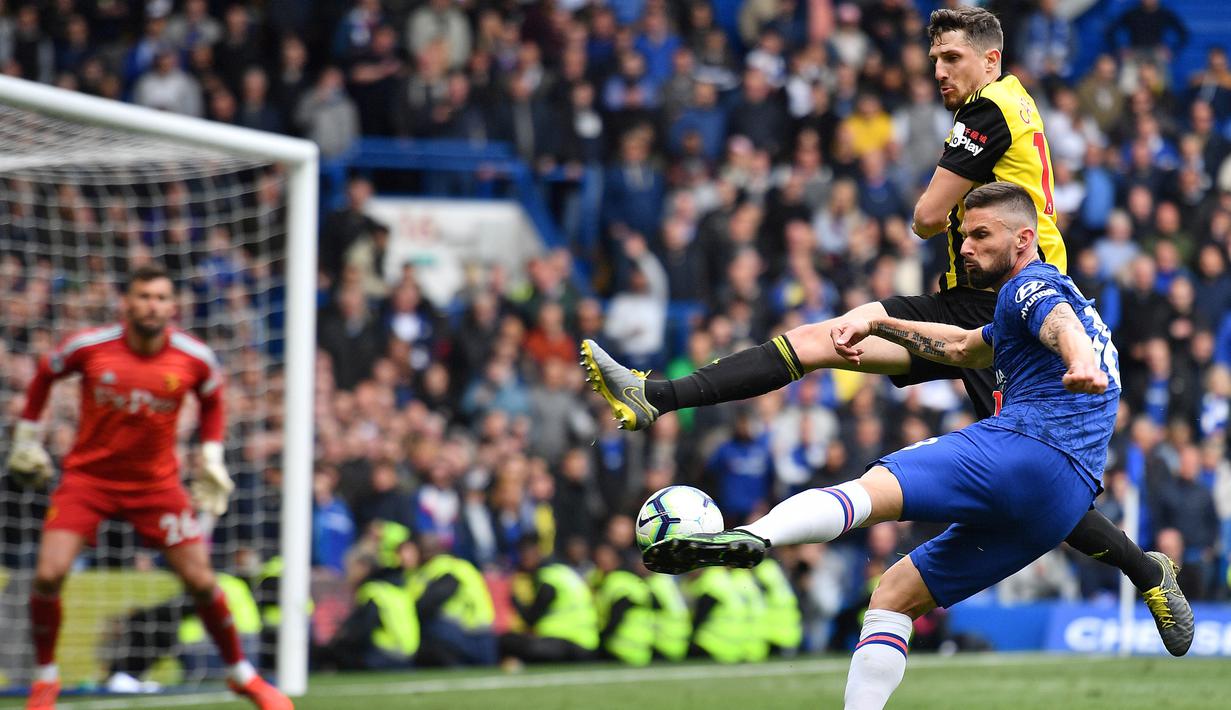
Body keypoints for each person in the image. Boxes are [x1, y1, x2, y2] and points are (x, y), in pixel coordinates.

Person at [579, 5, 1192, 655]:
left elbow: (925, 217)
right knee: (830, 347)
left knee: (1035, 477)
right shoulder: (1013, 103)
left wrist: (955, 227)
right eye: (934, 59)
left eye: (952, 58)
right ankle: (656, 396)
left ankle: (1146, 572)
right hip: (981, 307)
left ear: (990, 60)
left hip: (1002, 310)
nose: (939, 71)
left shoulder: (987, 111)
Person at [641, 183, 1189, 708]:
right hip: (1062, 504)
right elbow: (962, 348)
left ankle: (754, 536)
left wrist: (1080, 359)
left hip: (1025, 450)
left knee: (871, 490)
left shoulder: (1033, 286)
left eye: (981, 235)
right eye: (965, 236)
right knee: (894, 596)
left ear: (1024, 239)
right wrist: (881, 321)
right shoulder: (1020, 308)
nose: (966, 248)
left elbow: (1060, 324)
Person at [7, 263, 290, 709]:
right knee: (48, 574)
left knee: (201, 580)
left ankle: (241, 674)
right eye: (143, 296)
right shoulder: (90, 346)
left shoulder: (194, 357)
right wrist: (26, 437)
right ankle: (45, 679)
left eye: (160, 298)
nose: (152, 306)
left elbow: (213, 397)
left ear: (173, 306)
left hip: (156, 486)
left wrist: (211, 455)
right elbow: (46, 372)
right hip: (89, 480)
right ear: (126, 303)